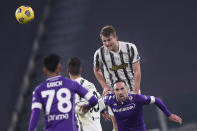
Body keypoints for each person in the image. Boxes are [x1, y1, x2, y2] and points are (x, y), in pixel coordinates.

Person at [28, 54, 98, 131]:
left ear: (44, 70)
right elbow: (93, 100)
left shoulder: (38, 90)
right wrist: (87, 106)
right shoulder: (71, 84)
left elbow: (35, 114)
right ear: (60, 68)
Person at [93, 25, 141, 130]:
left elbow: (137, 70)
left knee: (134, 121)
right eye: (104, 41)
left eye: (109, 40)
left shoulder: (130, 48)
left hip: (131, 89)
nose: (107, 43)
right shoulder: (99, 53)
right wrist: (105, 86)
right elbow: (96, 70)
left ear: (116, 37)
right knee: (116, 123)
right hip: (113, 92)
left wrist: (136, 92)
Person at [104, 80, 182, 131]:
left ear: (127, 89)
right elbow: (98, 102)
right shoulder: (109, 99)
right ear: (114, 92)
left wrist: (169, 114)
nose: (120, 92)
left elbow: (156, 100)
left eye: (122, 89)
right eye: (117, 90)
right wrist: (103, 111)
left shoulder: (137, 98)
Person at [67, 57, 106, 131]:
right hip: (97, 128)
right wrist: (103, 111)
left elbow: (80, 110)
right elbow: (100, 103)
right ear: (81, 70)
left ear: (68, 71)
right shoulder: (90, 84)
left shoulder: (71, 88)